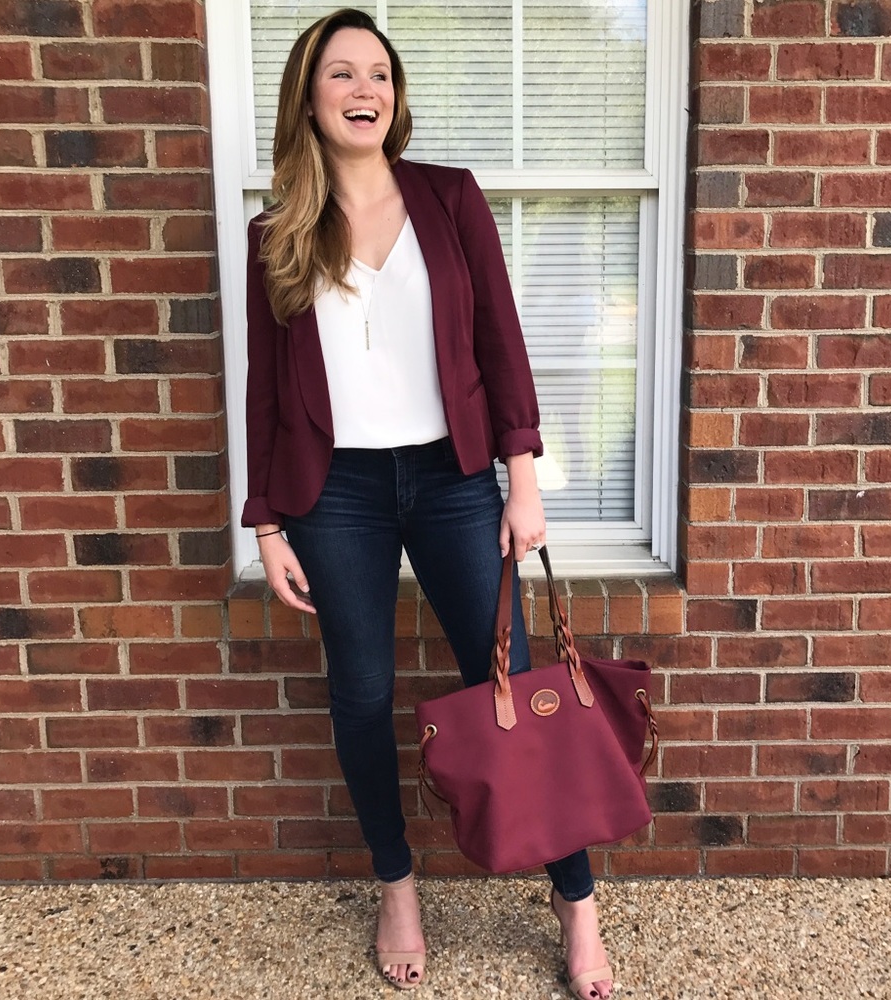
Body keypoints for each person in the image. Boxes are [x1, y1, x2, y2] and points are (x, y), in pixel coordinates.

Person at [242, 9, 614, 998]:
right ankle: (396, 883)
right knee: (359, 691)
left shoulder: (448, 199)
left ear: (393, 97)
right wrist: (268, 519)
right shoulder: (277, 230)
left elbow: (501, 338)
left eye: (380, 73)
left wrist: (521, 473)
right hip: (338, 495)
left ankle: (574, 901)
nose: (365, 88)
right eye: (341, 73)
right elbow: (268, 392)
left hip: (453, 480)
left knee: (515, 685)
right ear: (309, 98)